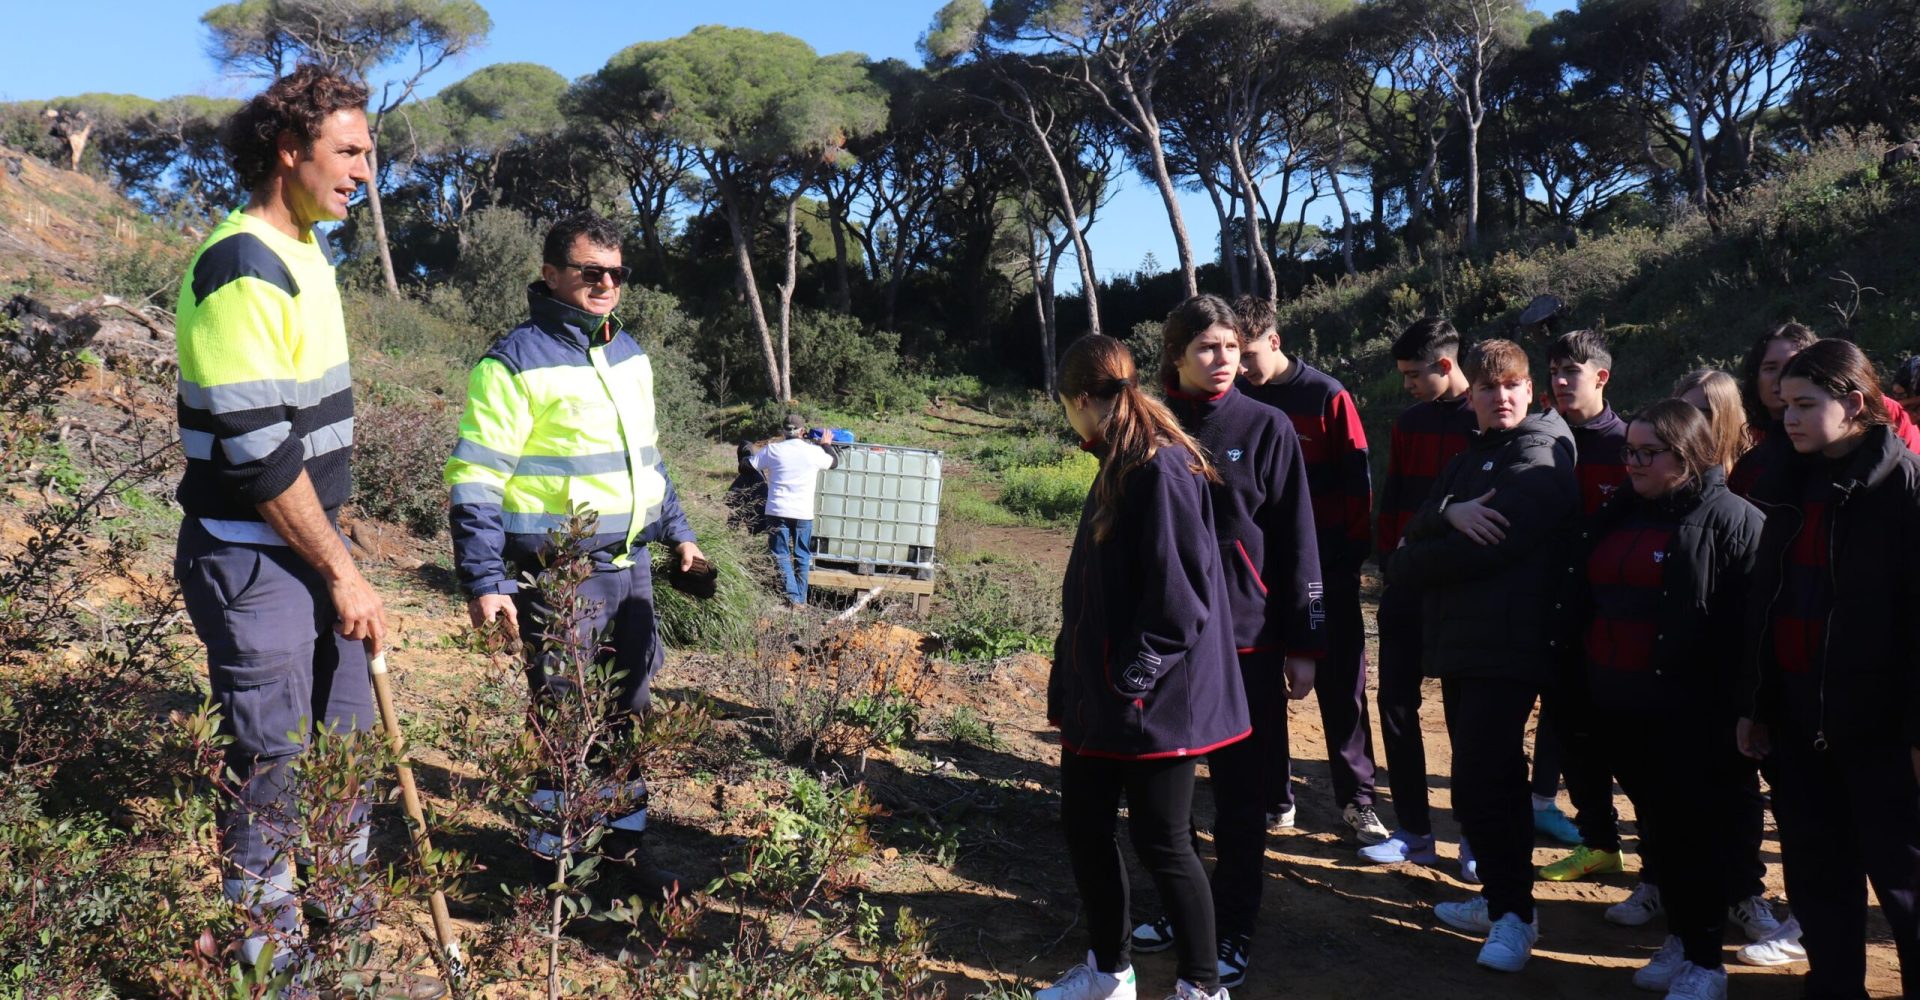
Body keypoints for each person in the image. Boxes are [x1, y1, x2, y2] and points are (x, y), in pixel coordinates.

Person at [172, 65, 442, 997]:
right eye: (351, 152)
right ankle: (274, 972)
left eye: (370, 153)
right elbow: (255, 453)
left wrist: (340, 557)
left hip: (312, 551)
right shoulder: (240, 264)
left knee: (347, 749)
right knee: (273, 768)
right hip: (257, 561)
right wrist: (343, 572)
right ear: (289, 152)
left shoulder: (307, 256)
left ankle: (345, 952)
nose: (367, 171)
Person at [445, 212, 705, 894]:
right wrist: (484, 578)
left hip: (632, 571)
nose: (606, 284)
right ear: (551, 274)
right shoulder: (513, 361)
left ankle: (622, 860)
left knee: (630, 719)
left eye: (617, 273)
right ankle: (552, 878)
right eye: (592, 272)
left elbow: (645, 461)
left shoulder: (630, 353)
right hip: (559, 580)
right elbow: (475, 481)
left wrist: (679, 532)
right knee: (565, 722)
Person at [1038, 333, 1245, 1000]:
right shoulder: (1117, 461)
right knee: (1086, 825)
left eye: (1066, 408)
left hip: (1155, 699)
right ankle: (1109, 974)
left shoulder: (1161, 468)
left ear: (1080, 401)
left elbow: (1182, 597)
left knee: (1164, 842)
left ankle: (1202, 987)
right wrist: (1072, 677)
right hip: (1101, 693)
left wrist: (1135, 675)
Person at [1133, 295, 1323, 989]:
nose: (1222, 363)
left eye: (1233, 350)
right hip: (1169, 644)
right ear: (1176, 355)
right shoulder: (1148, 422)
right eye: (1207, 349)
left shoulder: (1268, 425)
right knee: (1167, 802)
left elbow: (1299, 539)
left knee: (1243, 801)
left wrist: (1306, 640)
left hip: (1247, 645)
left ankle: (1234, 927)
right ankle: (1178, 912)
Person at [1553, 400, 1763, 1000]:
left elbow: (1751, 631)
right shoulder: (1618, 511)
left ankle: (1706, 962)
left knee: (1695, 835)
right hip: (1615, 706)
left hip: (1692, 715)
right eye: (1630, 451)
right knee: (1662, 834)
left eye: (1650, 453)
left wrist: (1744, 708)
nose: (1635, 463)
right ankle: (1682, 938)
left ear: (1689, 454)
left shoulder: (1733, 520)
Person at [1386, 339, 1578, 974]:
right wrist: (1447, 511)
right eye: (1489, 389)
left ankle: (1516, 916)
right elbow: (1414, 528)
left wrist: (1421, 552)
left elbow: (1485, 548)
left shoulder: (1542, 448)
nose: (1501, 398)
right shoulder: (1473, 457)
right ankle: (1500, 898)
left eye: (1512, 387)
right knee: (1476, 781)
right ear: (1471, 396)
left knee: (1485, 778)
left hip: (1512, 645)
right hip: (1467, 643)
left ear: (1532, 392)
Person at [1737, 339, 1920, 1000]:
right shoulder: (1781, 482)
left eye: (1806, 405)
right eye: (1785, 403)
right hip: (1794, 725)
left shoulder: (1905, 489)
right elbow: (1766, 603)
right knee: (1817, 879)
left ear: (1855, 402)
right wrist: (1755, 705)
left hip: (1880, 735)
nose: (1789, 417)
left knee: (1904, 888)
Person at [1232, 295, 1385, 846]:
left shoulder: (1326, 396)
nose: (1241, 367)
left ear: (1275, 341)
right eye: (1233, 355)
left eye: (1248, 354)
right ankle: (1276, 798)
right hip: (1259, 576)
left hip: (1328, 572)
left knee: (1342, 687)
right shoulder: (1234, 399)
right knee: (1263, 690)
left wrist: (1344, 562)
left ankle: (1359, 800)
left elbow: (1357, 483)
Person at [1359, 318, 1478, 870]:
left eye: (1414, 375)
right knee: (1397, 705)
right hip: (1407, 584)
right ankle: (1413, 831)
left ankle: (1475, 838)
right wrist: (1389, 563)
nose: (1406, 384)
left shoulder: (1486, 423)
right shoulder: (1409, 424)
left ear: (1447, 365)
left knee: (1463, 716)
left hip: (1460, 593)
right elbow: (1394, 498)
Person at [1533, 330, 1629, 878]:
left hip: (1614, 619)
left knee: (1621, 739)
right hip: (1551, 612)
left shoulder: (1629, 445)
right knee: (1570, 731)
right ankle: (1599, 841)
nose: (1562, 381)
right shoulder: (1542, 440)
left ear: (1602, 376)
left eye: (1573, 370)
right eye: (1554, 372)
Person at [751, 413, 838, 606]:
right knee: (802, 556)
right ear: (803, 431)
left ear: (783, 431)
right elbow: (834, 462)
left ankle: (794, 598)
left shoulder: (772, 450)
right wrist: (825, 444)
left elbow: (750, 466)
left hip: (776, 511)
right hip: (803, 513)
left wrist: (747, 451)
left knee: (780, 554)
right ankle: (800, 599)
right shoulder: (814, 452)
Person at [1672, 369, 1751, 476]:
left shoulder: (1751, 473)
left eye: (1705, 414)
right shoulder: (1659, 470)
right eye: (1683, 411)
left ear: (1726, 418)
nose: (1691, 421)